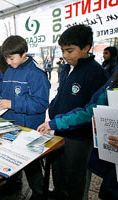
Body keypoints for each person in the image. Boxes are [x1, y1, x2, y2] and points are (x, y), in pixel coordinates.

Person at [41, 24, 108, 200]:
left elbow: (92, 111)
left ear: (86, 48)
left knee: (77, 176)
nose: (65, 55)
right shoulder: (65, 68)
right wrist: (53, 107)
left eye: (70, 50)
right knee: (59, 170)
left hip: (80, 135)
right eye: (63, 50)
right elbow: (61, 93)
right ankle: (59, 193)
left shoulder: (96, 73)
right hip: (60, 128)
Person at [37, 71, 118, 200]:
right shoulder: (114, 79)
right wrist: (54, 123)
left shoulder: (96, 72)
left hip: (82, 138)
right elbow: (90, 111)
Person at [0, 35, 50, 200]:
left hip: (28, 127)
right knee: (11, 157)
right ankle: (13, 183)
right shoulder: (10, 70)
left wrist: (12, 104)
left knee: (30, 163)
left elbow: (40, 103)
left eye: (11, 58)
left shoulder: (36, 73)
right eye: (6, 58)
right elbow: (6, 95)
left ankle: (39, 193)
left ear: (24, 52)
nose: (8, 62)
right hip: (11, 124)